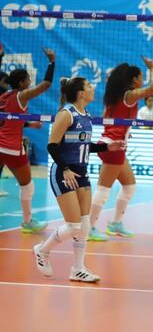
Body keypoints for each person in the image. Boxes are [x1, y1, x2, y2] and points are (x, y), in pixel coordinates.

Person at [33, 77, 125, 282]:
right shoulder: (66, 114)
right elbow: (52, 145)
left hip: (82, 173)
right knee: (74, 226)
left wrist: (106, 147)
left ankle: (78, 269)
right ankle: (42, 250)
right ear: (81, 93)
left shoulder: (86, 114)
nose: (93, 88)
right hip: (64, 172)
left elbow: (83, 145)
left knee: (83, 224)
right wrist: (65, 169)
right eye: (89, 86)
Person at [87, 57, 153, 241]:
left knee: (129, 186)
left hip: (114, 143)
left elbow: (110, 119)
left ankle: (115, 224)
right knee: (103, 190)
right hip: (113, 146)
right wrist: (152, 68)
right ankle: (87, 228)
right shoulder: (129, 94)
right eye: (141, 76)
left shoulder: (114, 96)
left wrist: (125, 132)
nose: (142, 79)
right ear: (134, 79)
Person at [0, 47, 55, 233]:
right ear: (22, 83)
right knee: (27, 185)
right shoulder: (21, 95)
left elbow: (8, 121)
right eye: (29, 79)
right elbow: (46, 84)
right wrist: (52, 62)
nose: (31, 82)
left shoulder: (3, 97)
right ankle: (27, 222)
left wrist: (29, 124)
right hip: (12, 148)